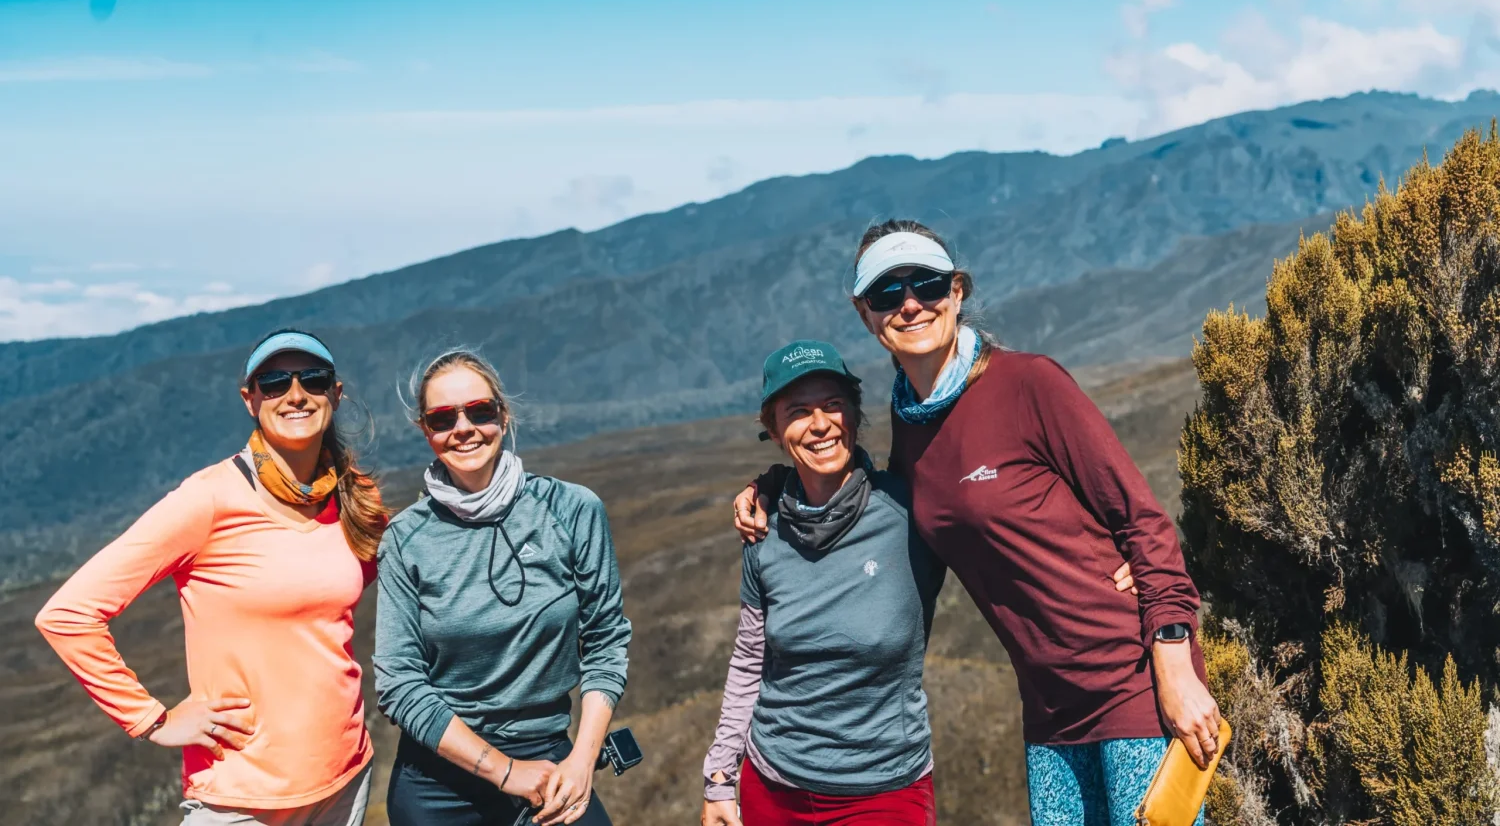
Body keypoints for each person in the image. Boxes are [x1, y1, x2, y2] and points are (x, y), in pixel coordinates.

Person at [734, 221, 1221, 826]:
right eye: (887, 294)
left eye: (928, 285)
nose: (910, 304)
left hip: (1133, 685)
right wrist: (775, 486)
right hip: (1048, 711)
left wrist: (1174, 663)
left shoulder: (1029, 384)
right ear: (865, 314)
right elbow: (866, 498)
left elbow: (1143, 523)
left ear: (957, 292)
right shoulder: (909, 424)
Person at [36, 329, 389, 826]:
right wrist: (151, 719)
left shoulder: (353, 496)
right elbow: (68, 615)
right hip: (239, 795)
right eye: (273, 382)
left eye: (312, 378)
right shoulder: (208, 498)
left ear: (335, 393)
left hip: (346, 780)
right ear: (250, 400)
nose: (294, 394)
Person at [375, 348, 631, 826]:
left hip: (553, 764)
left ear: (503, 414)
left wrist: (582, 762)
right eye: (442, 418)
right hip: (438, 784)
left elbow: (606, 641)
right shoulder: (406, 539)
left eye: (480, 411)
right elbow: (398, 683)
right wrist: (506, 772)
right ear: (425, 431)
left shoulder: (573, 510)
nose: (464, 428)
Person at [702, 340, 944, 826]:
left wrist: (1118, 561)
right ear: (773, 430)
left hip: (885, 788)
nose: (820, 424)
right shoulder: (761, 530)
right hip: (772, 786)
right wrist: (719, 779)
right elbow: (751, 661)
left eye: (833, 405)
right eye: (798, 412)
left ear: (855, 416)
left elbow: (1000, 524)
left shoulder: (908, 509)